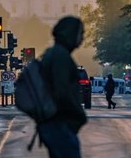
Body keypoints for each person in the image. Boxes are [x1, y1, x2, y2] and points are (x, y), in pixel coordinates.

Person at [39, 16, 88, 158]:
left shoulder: (54, 53)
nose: (82, 39)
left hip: (55, 124)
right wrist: (78, 115)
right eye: (80, 34)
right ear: (70, 34)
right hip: (60, 125)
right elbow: (62, 93)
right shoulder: (60, 57)